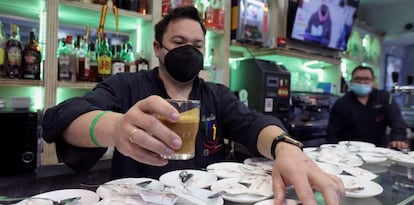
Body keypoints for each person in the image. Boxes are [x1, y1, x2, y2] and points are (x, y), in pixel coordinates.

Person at [43, 6, 345, 205]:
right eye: (179, 41)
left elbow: (254, 124)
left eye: (198, 45)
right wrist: (115, 128)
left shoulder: (217, 94)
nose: (190, 50)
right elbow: (65, 118)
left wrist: (285, 147)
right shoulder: (127, 86)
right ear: (159, 49)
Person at [327, 65, 409, 149]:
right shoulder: (341, 103)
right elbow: (333, 133)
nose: (362, 82)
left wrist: (398, 140)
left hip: (378, 151)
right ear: (351, 82)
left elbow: (397, 122)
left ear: (373, 81)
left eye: (366, 79)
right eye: (358, 79)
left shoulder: (384, 98)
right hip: (349, 152)